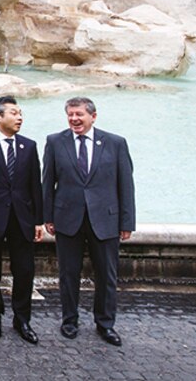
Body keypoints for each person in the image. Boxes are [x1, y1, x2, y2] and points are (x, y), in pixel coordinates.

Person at [43, 97, 135, 347]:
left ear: (93, 116)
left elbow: (125, 184)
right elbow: (47, 182)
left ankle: (105, 324)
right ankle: (69, 321)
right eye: (70, 115)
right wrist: (47, 217)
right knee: (68, 274)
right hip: (67, 219)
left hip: (105, 220)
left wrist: (127, 222)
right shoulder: (54, 141)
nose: (74, 119)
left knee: (107, 275)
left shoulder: (116, 143)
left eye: (79, 115)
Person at [0, 96, 43, 344]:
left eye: (21, 113)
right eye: (14, 113)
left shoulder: (29, 145)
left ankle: (22, 319)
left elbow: (36, 185)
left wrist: (39, 220)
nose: (19, 117)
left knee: (24, 270)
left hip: (22, 218)